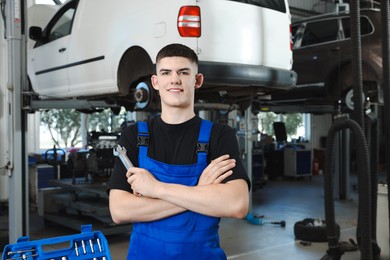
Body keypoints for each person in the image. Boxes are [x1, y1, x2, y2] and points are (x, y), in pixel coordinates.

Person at [107, 43, 250, 259]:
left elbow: (237, 204)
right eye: (166, 73)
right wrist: (200, 191)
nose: (175, 79)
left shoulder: (219, 136)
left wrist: (155, 189)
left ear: (197, 80)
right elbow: (119, 211)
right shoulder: (134, 136)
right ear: (156, 82)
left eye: (183, 72)